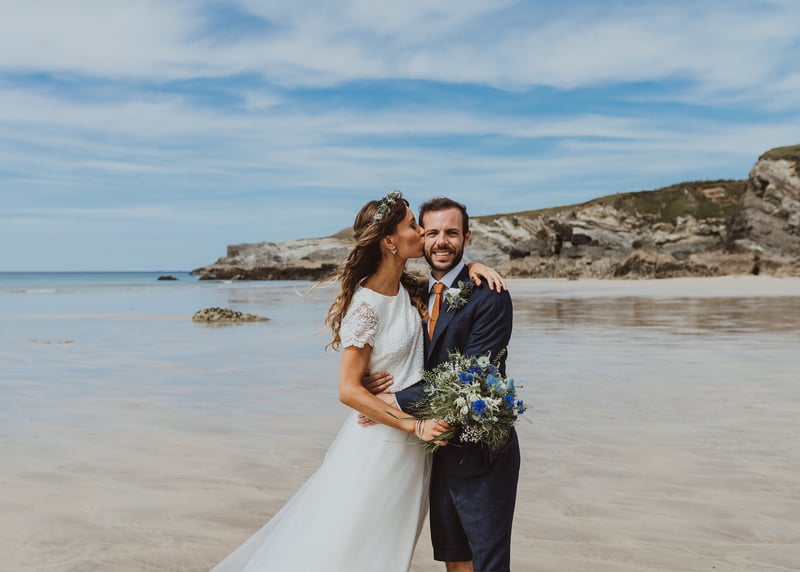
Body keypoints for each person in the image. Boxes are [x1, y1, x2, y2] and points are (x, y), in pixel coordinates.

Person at [210, 191, 502, 572]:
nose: (423, 234)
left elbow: (446, 286)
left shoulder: (408, 289)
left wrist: (472, 265)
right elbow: (348, 390)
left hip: (414, 449)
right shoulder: (366, 305)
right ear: (389, 241)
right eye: (414, 226)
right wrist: (413, 424)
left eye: (425, 227)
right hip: (381, 443)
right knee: (347, 546)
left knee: (386, 550)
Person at [365, 197, 519, 572]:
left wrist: (393, 400)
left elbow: (472, 378)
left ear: (467, 237)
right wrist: (369, 378)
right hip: (433, 451)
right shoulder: (411, 293)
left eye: (452, 232)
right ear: (421, 236)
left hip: (481, 452)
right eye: (432, 232)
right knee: (454, 561)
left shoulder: (490, 296)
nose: (441, 241)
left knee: (487, 564)